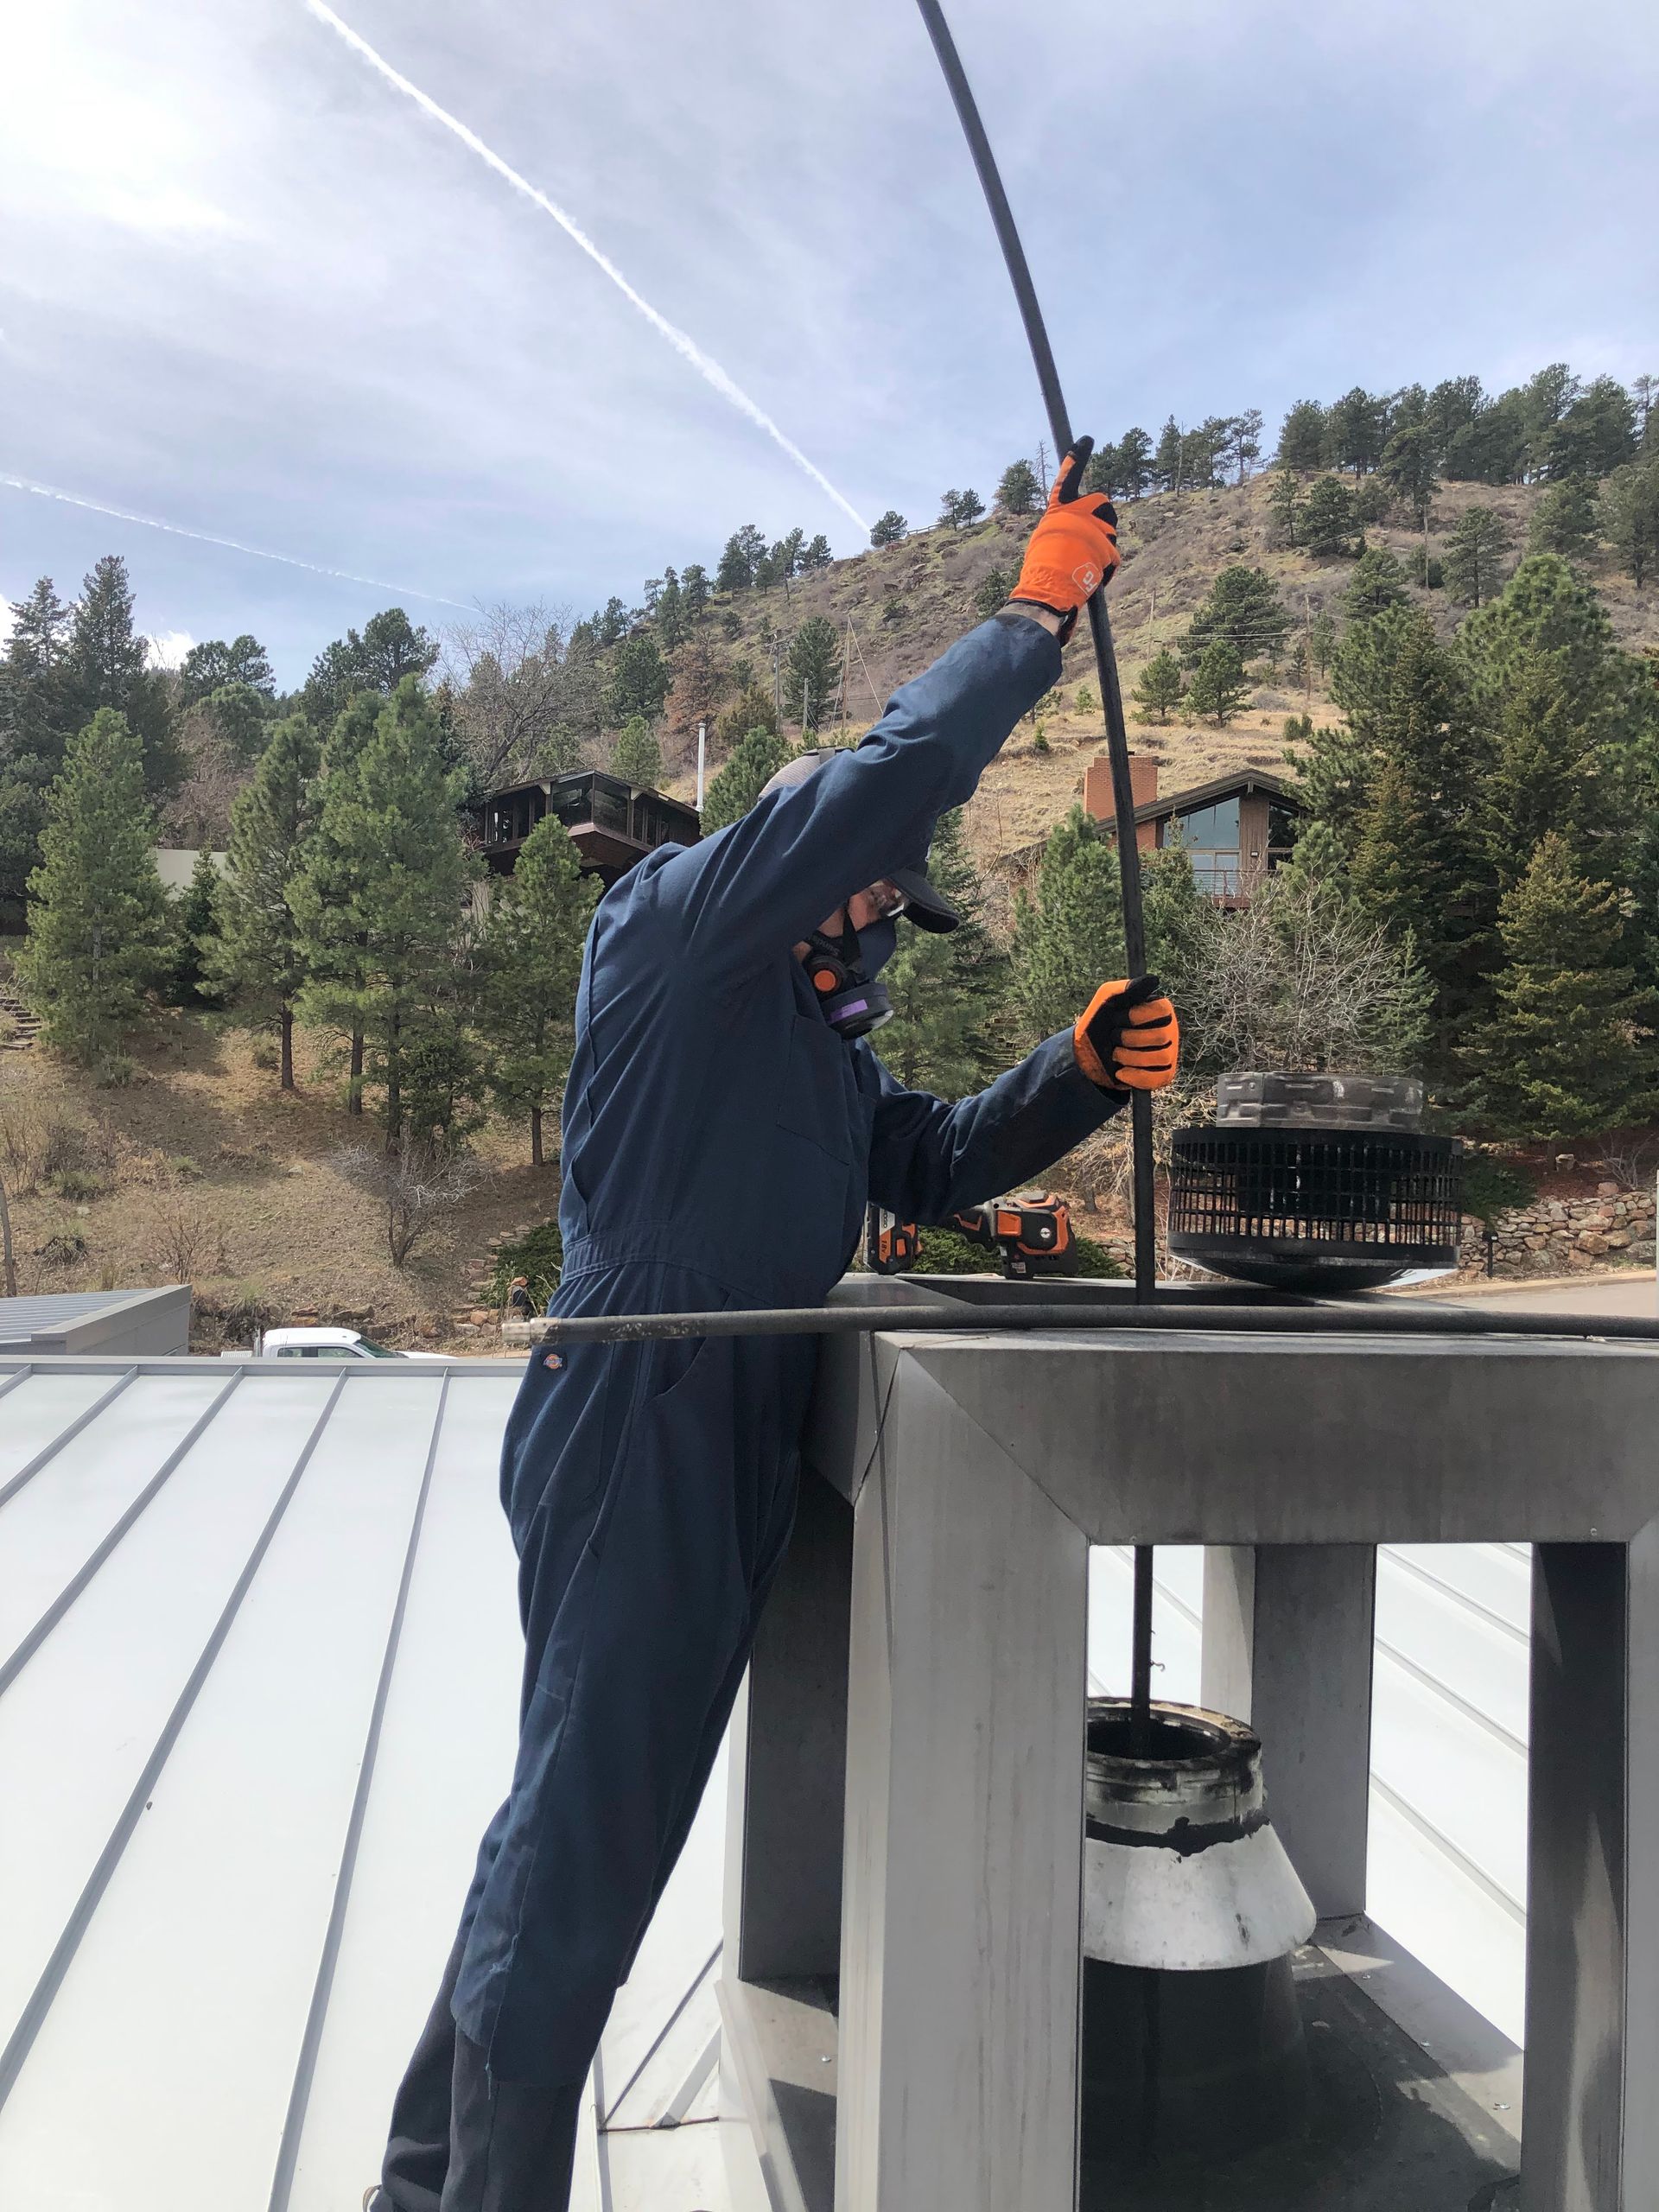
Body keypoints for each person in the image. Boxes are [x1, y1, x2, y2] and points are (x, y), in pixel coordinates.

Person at [369, 448, 1179, 2212]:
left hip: (726, 1421)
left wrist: (1073, 1069)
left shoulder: (814, 1046)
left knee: (577, 1825)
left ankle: (424, 2174)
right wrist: (1037, 615)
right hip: (644, 1402)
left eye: (892, 909)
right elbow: (893, 780)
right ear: (800, 865)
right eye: (872, 890)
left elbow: (931, 1155)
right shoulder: (679, 932)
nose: (883, 919)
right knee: (583, 1837)